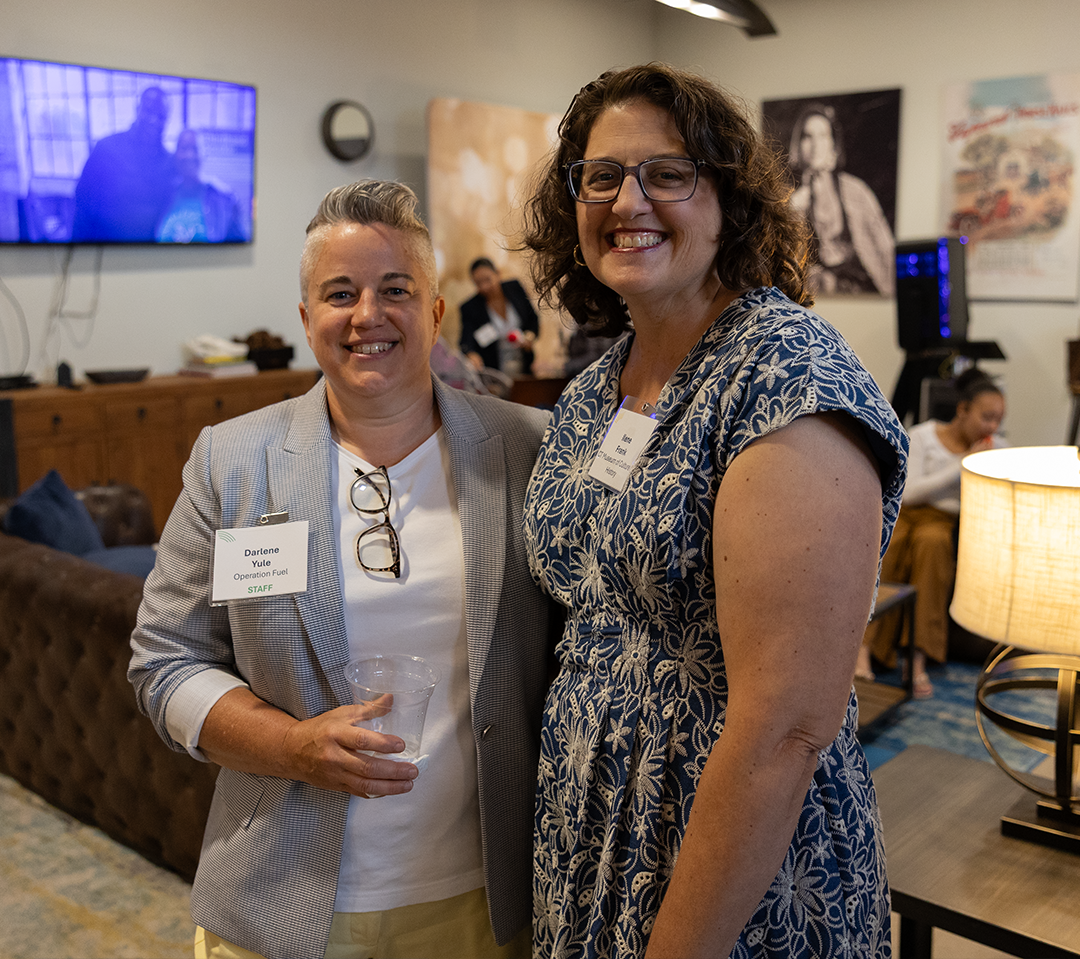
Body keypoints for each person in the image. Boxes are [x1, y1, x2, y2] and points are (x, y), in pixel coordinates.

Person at [519, 63, 908, 958]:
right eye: (601, 176)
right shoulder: (594, 389)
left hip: (736, 873)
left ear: (729, 198)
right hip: (591, 839)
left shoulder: (785, 376)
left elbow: (785, 730)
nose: (628, 201)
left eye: (668, 173)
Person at [130, 179, 556, 959]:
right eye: (340, 293)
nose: (368, 315)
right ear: (306, 319)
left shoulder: (530, 449)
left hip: (483, 899)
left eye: (396, 289)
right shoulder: (233, 461)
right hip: (281, 896)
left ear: (435, 311)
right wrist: (290, 746)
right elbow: (165, 662)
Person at [858, 368, 1006, 697]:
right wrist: (963, 465)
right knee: (890, 541)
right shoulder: (924, 435)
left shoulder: (996, 448)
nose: (992, 427)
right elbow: (909, 493)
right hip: (908, 513)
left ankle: (917, 657)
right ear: (962, 410)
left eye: (998, 420)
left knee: (933, 544)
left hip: (945, 522)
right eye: (986, 417)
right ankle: (864, 649)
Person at [788, 103, 895, 297]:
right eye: (808, 136)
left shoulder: (856, 191)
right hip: (817, 300)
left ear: (833, 144)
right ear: (798, 145)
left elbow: (885, 248)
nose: (815, 145)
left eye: (823, 135)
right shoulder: (790, 199)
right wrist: (793, 211)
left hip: (865, 293)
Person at [71, 86, 177, 240]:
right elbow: (82, 201)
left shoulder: (169, 162)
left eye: (161, 116)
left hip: (150, 251)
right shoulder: (107, 148)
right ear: (138, 110)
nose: (153, 120)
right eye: (148, 111)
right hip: (105, 248)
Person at [156, 129, 245, 243]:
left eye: (195, 149)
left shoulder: (225, 199)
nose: (189, 155)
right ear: (175, 154)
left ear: (204, 154)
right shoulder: (163, 195)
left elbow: (238, 246)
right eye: (184, 148)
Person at [459, 257, 539, 375]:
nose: (484, 286)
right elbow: (466, 341)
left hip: (524, 364)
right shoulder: (470, 307)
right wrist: (472, 354)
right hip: (494, 370)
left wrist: (529, 337)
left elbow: (533, 319)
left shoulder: (515, 288)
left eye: (488, 280)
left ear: (497, 273)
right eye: (478, 283)